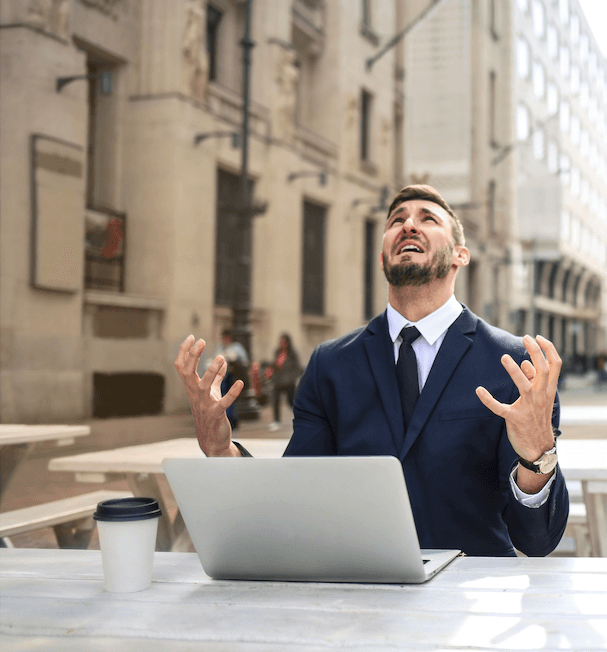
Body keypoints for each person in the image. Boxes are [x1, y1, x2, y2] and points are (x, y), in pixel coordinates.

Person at [174, 185, 569, 557]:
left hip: (468, 602)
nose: (408, 224)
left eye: (427, 218)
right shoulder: (330, 364)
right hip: (359, 593)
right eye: (396, 220)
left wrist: (537, 454)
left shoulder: (516, 365)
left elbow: (537, 540)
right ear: (382, 258)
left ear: (460, 256)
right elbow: (293, 498)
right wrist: (220, 450)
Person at [266, 333, 303, 430]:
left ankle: (300, 419)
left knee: (291, 401)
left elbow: (297, 368)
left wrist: (291, 378)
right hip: (277, 381)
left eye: (283, 342)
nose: (281, 343)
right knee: (275, 401)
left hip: (289, 382)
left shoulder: (292, 353)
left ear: (287, 342)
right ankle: (276, 421)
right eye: (280, 341)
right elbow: (274, 365)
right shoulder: (277, 352)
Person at [219, 330, 248, 430]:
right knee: (224, 397)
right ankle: (226, 419)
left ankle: (233, 419)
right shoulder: (220, 349)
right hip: (223, 378)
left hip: (233, 376)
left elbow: (244, 361)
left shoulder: (237, 348)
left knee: (233, 399)